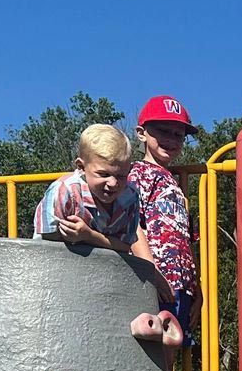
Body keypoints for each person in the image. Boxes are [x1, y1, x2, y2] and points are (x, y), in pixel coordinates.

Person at [128, 94, 200, 339]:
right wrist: (153, 273)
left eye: (178, 135)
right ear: (142, 133)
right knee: (152, 352)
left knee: (170, 351)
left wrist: (196, 289)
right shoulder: (139, 173)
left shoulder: (176, 185)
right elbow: (131, 224)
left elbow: (185, 241)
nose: (170, 140)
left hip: (181, 286)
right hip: (153, 282)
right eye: (162, 132)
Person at [33, 123, 141, 250]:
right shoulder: (64, 191)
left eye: (121, 176)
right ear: (81, 167)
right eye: (104, 174)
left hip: (106, 267)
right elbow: (47, 244)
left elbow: (126, 246)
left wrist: (89, 236)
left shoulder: (130, 197)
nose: (113, 183)